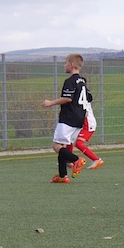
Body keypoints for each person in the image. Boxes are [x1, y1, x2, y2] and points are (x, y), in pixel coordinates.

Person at [42, 53, 90, 183]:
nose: (64, 65)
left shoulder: (70, 81)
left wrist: (51, 103)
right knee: (62, 145)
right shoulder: (83, 82)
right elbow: (88, 98)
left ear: (72, 65)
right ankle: (63, 176)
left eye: (66, 63)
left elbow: (68, 98)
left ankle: (76, 160)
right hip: (79, 119)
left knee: (56, 146)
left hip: (68, 118)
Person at [66, 100, 104, 170]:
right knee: (69, 140)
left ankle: (96, 159)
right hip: (80, 123)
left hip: (88, 124)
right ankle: (69, 161)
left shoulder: (81, 98)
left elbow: (85, 113)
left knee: (78, 143)